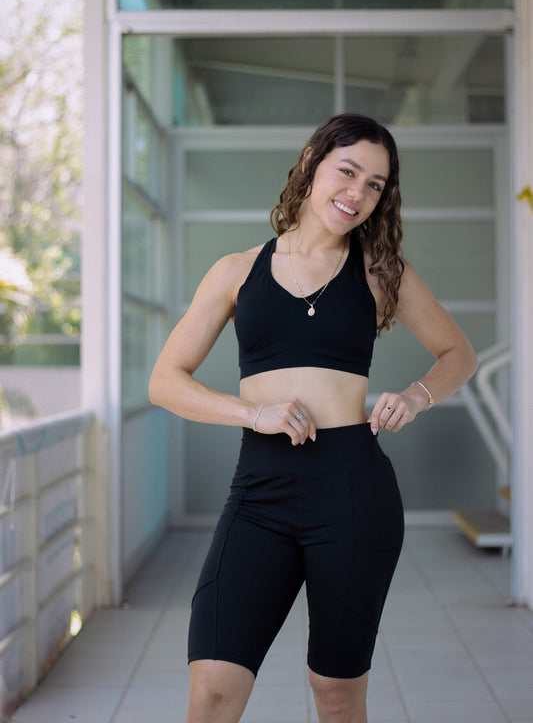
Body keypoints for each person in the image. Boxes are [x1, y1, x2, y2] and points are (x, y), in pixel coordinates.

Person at [149, 112, 478, 723]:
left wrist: (415, 396)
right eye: (347, 171)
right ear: (310, 163)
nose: (357, 193)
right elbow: (165, 382)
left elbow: (459, 353)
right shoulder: (236, 271)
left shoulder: (383, 273)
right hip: (259, 493)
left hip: (354, 493)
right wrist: (254, 413)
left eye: (376, 184)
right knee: (213, 687)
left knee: (335, 695)